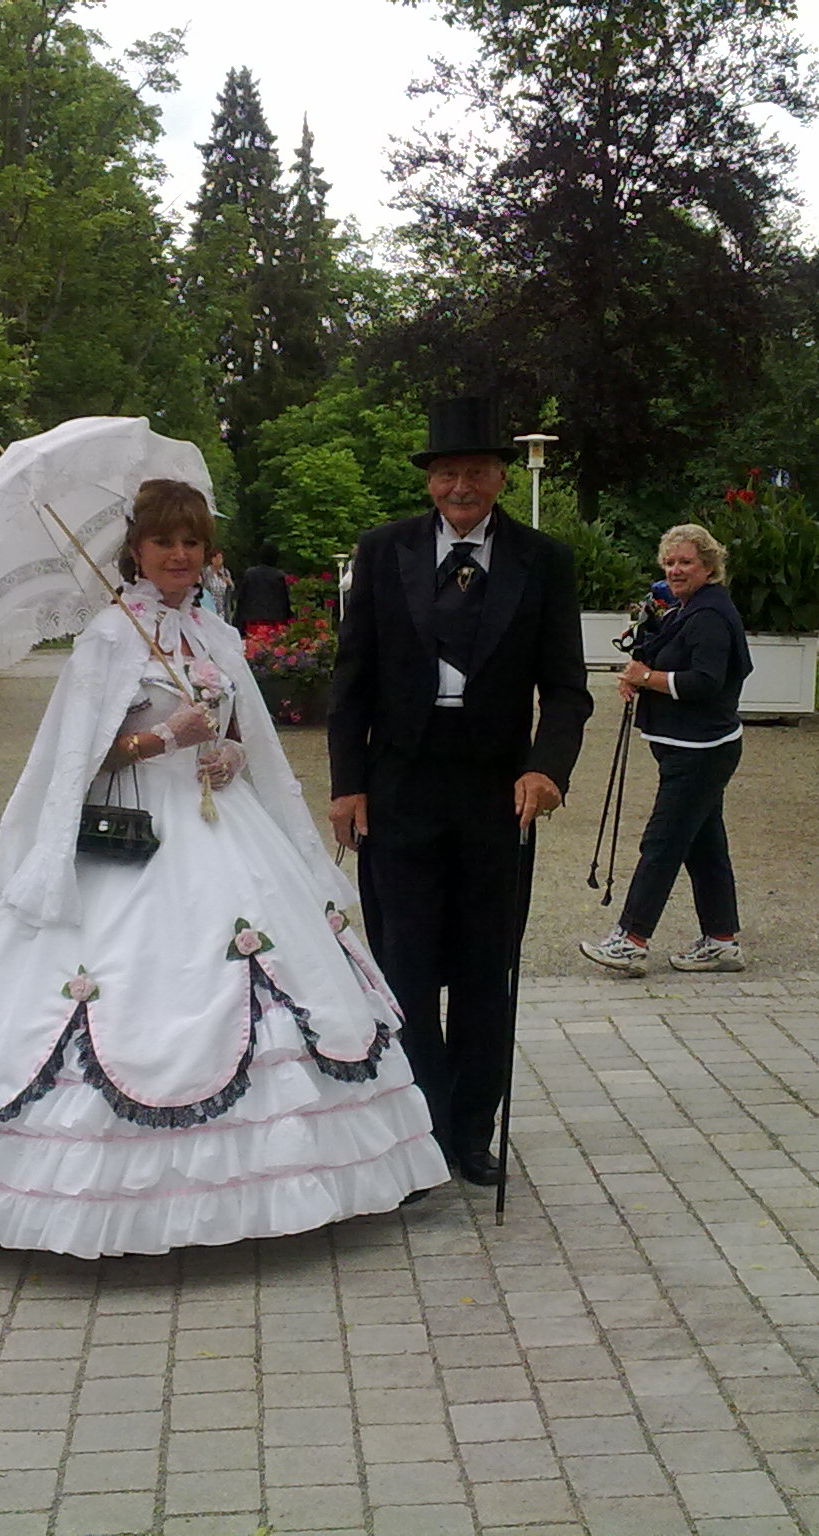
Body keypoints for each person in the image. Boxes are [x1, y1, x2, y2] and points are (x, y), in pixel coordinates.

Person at [0, 479, 446, 1258]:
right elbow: (76, 759)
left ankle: (285, 1184)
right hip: (138, 837)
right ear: (136, 552)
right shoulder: (110, 638)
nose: (179, 556)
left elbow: (248, 733)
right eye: (163, 543)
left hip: (226, 827)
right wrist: (162, 740)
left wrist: (228, 751)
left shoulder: (213, 634)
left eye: (191, 543)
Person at [328, 396, 593, 1186]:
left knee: (485, 970)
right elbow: (353, 676)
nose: (460, 486)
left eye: (475, 471)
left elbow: (569, 690)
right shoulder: (384, 552)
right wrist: (347, 784)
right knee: (405, 966)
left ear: (501, 478)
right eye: (447, 473)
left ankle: (472, 1131)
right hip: (400, 783)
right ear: (431, 481)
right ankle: (419, 1134)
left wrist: (548, 769)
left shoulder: (545, 561)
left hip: (496, 791)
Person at [580, 523, 752, 977]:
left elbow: (705, 680)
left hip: (700, 750)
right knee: (704, 845)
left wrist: (647, 679)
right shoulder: (688, 608)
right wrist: (641, 671)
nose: (675, 570)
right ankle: (722, 941)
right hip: (693, 746)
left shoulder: (710, 615)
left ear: (710, 566)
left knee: (662, 842)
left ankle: (631, 940)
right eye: (670, 562)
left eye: (686, 562)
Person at [232, 548, 292, 634]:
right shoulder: (280, 577)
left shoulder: (250, 574)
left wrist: (238, 624)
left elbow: (242, 600)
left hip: (253, 623)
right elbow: (286, 603)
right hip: (275, 624)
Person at [199, 548, 235, 623]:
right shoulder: (205, 572)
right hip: (208, 607)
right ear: (211, 559)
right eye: (216, 557)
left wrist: (230, 583)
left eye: (220, 558)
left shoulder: (225, 572)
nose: (218, 560)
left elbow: (231, 589)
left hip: (222, 609)